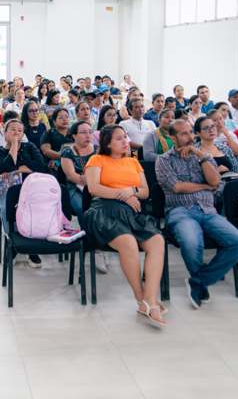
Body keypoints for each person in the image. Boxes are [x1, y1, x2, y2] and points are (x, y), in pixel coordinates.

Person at [157, 119, 238, 308]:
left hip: (207, 211)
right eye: (183, 134)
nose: (190, 137)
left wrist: (200, 155)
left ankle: (198, 282)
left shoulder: (203, 156)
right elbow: (177, 187)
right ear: (172, 137)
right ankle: (201, 283)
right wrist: (205, 186)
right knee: (191, 242)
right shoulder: (163, 160)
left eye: (191, 132)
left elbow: (215, 181)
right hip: (180, 211)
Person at [82, 125, 166, 328]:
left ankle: (150, 299)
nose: (125, 141)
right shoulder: (97, 160)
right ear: (107, 143)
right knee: (128, 243)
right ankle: (141, 299)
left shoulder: (133, 162)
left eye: (125, 137)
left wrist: (130, 192)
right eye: (119, 138)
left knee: (156, 241)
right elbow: (94, 189)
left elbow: (145, 191)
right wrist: (125, 195)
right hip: (103, 211)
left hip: (132, 211)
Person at [0, 119, 49, 269]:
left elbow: (42, 167)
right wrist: (13, 147)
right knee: (6, 208)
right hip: (8, 187)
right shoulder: (0, 151)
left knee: (33, 208)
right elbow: (3, 168)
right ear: (5, 134)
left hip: (31, 185)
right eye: (12, 130)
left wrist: (21, 169)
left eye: (19, 130)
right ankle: (13, 244)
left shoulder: (30, 147)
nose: (16, 133)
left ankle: (30, 246)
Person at [60, 120, 95, 220]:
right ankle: (86, 233)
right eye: (83, 132)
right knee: (82, 207)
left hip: (96, 185)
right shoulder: (67, 152)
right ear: (74, 136)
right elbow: (72, 176)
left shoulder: (98, 150)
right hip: (75, 187)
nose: (88, 135)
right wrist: (91, 180)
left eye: (90, 132)